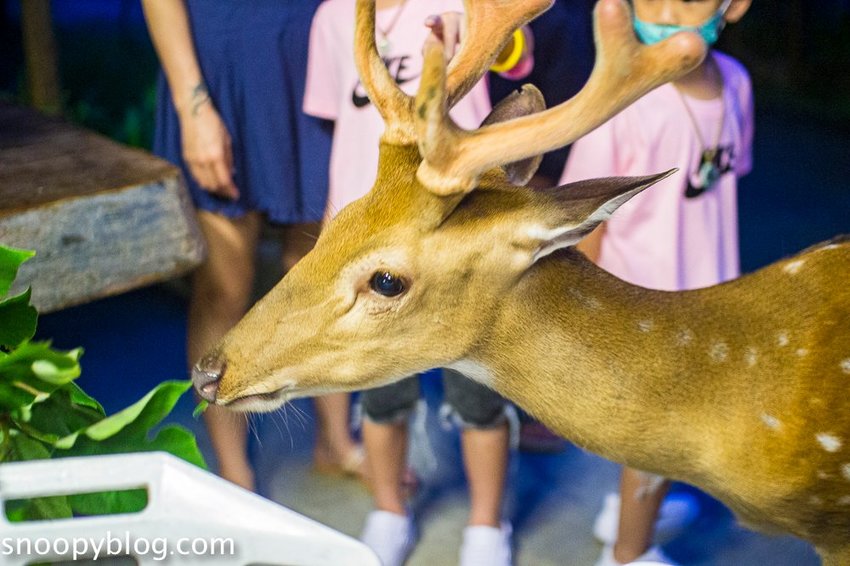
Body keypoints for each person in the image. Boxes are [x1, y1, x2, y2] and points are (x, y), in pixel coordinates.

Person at [303, 2, 532, 564]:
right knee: (381, 393)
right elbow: (339, 122)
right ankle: (388, 512)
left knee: (479, 389)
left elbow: (518, 60)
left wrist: (484, 37)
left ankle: (486, 528)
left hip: (457, 233)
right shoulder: (333, 16)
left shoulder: (464, 4)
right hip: (370, 244)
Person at [142, 0, 364, 492]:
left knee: (321, 264)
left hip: (316, 53)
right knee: (224, 283)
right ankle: (233, 471)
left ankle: (336, 442)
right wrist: (192, 106)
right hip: (221, 67)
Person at [561, 1, 754, 564]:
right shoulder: (623, 100)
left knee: (674, 429)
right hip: (640, 304)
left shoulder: (737, 83)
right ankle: (627, 552)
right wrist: (584, 321)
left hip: (710, 294)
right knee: (657, 434)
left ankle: (626, 513)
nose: (666, 8)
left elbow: (721, 183)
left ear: (734, 6)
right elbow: (585, 220)